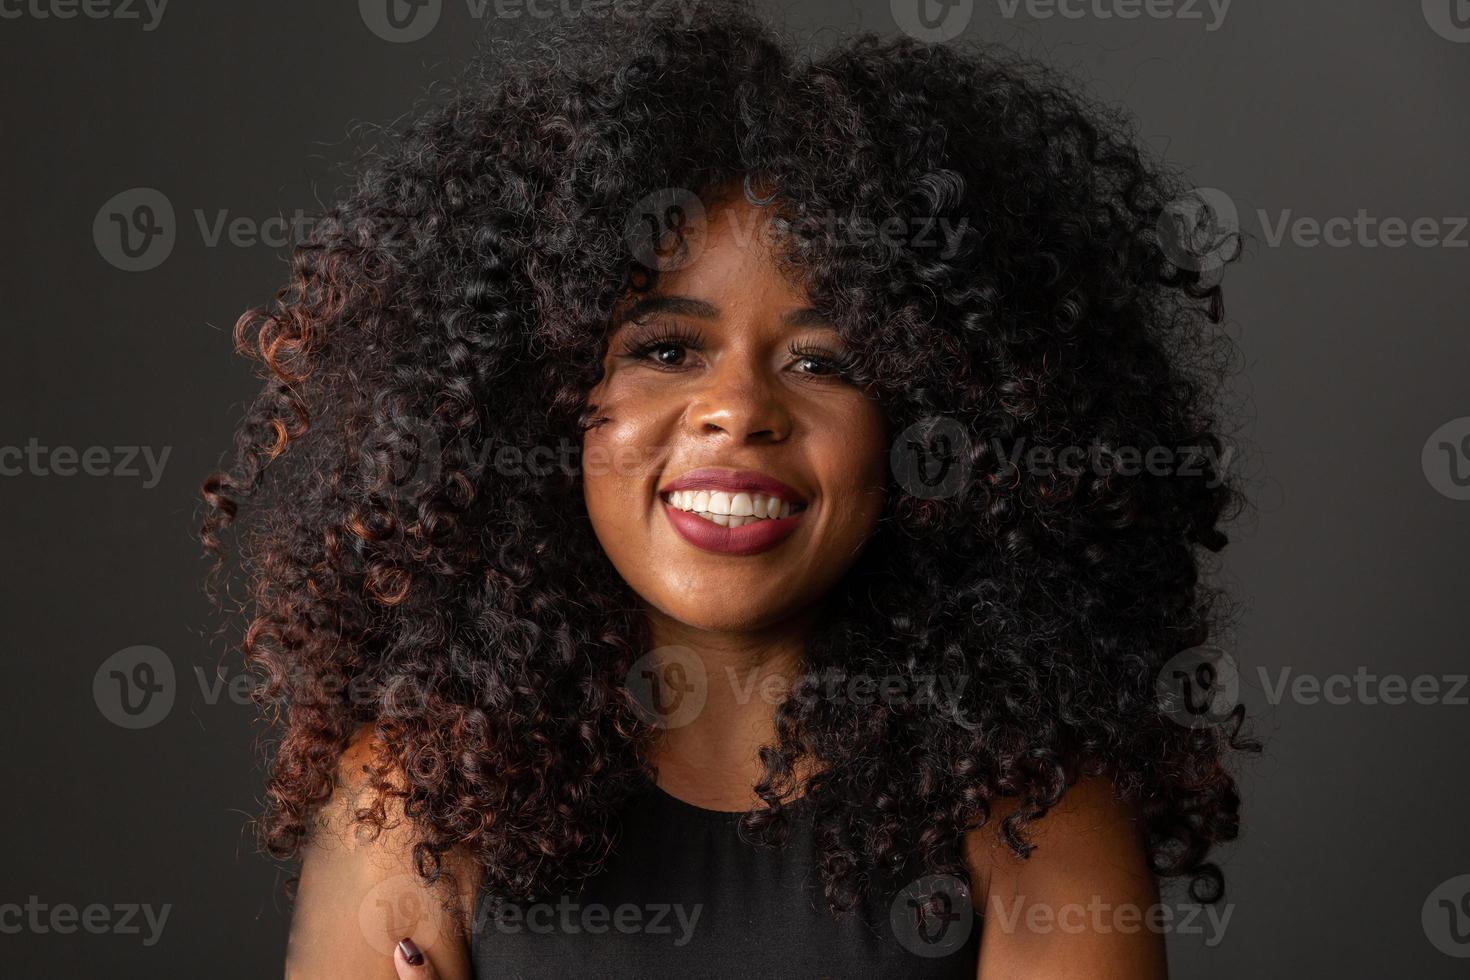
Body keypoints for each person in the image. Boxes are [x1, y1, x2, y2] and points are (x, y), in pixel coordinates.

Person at [200, 4, 1250, 976]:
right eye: (665, 348)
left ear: (939, 429)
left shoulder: (1033, 809)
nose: (736, 409)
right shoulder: (410, 796)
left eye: (823, 361)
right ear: (535, 394)